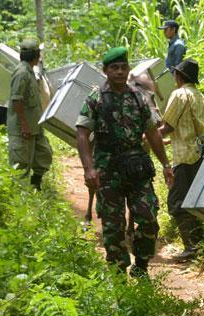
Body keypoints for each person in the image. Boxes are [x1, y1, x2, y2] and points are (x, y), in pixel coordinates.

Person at [75, 47, 174, 278]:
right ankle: (118, 274)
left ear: (128, 69)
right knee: (113, 225)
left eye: (123, 67)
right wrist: (88, 169)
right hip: (107, 171)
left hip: (137, 168)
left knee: (148, 217)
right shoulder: (95, 98)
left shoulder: (139, 98)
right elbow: (81, 134)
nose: (119, 72)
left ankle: (141, 265)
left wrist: (166, 164)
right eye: (114, 68)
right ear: (106, 71)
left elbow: (152, 133)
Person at [158, 59, 204, 262]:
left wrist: (149, 137)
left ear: (178, 76)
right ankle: (198, 245)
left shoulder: (179, 95)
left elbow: (168, 126)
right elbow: (190, 128)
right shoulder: (200, 96)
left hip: (184, 157)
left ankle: (191, 248)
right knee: (193, 201)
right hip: (200, 155)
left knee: (177, 202)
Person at [6, 39, 53, 190]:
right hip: (23, 128)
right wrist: (24, 125)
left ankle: (35, 184)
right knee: (20, 163)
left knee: (44, 154)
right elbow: (16, 100)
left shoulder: (29, 71)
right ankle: (21, 195)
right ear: (36, 56)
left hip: (34, 126)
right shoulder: (21, 73)